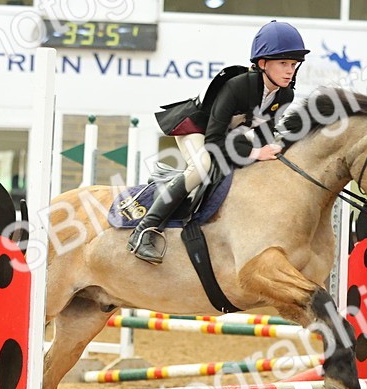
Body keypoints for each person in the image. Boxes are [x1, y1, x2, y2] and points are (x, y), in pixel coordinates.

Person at [128, 20, 309, 263]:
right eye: (283, 63)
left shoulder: (285, 94)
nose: (290, 70)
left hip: (227, 135)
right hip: (196, 129)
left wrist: (277, 152)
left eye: (293, 64)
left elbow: (265, 135)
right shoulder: (238, 86)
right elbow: (213, 140)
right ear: (263, 64)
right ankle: (145, 231)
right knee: (201, 166)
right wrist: (255, 153)